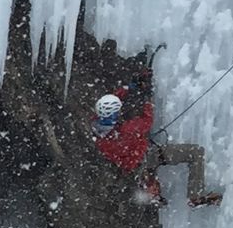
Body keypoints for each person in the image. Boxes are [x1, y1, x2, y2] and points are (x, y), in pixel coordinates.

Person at [91, 88, 222, 207]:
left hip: (134, 165)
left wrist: (131, 86)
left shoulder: (98, 128)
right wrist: (148, 100)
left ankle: (151, 192)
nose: (120, 113)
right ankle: (195, 196)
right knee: (195, 152)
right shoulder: (126, 130)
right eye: (118, 112)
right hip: (147, 157)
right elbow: (147, 121)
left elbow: (111, 103)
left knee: (149, 175)